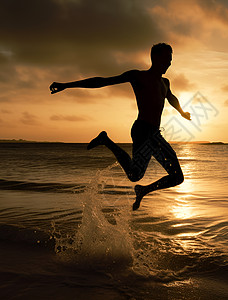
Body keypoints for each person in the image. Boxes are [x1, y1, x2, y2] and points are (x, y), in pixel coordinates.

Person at [50, 43, 190, 210]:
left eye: (171, 59)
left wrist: (181, 112)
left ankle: (142, 188)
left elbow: (171, 97)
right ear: (156, 58)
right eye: (167, 58)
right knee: (157, 175)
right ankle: (109, 145)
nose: (170, 62)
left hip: (154, 134)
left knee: (155, 176)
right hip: (142, 130)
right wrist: (67, 85)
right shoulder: (138, 76)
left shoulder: (165, 82)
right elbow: (102, 82)